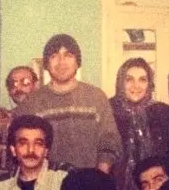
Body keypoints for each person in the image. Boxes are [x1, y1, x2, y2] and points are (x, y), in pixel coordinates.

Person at [16, 34, 121, 170]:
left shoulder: (96, 97)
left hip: (89, 180)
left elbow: (110, 141)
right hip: (46, 181)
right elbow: (21, 148)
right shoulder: (32, 103)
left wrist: (100, 175)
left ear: (77, 62)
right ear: (46, 64)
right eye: (54, 56)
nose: (61, 62)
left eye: (68, 55)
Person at [110, 58, 169, 190]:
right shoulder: (108, 111)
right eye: (129, 79)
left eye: (142, 80)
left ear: (149, 84)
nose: (136, 85)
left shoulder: (163, 112)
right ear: (120, 83)